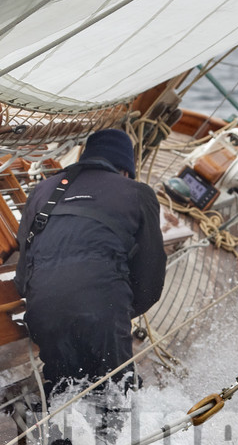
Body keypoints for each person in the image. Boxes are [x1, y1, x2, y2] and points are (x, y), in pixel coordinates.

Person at [14, 128, 166, 393]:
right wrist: (118, 311)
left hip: (43, 312)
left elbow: (22, 271)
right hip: (103, 311)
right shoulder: (138, 193)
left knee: (64, 391)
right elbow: (150, 277)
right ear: (125, 170)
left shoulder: (43, 190)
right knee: (116, 396)